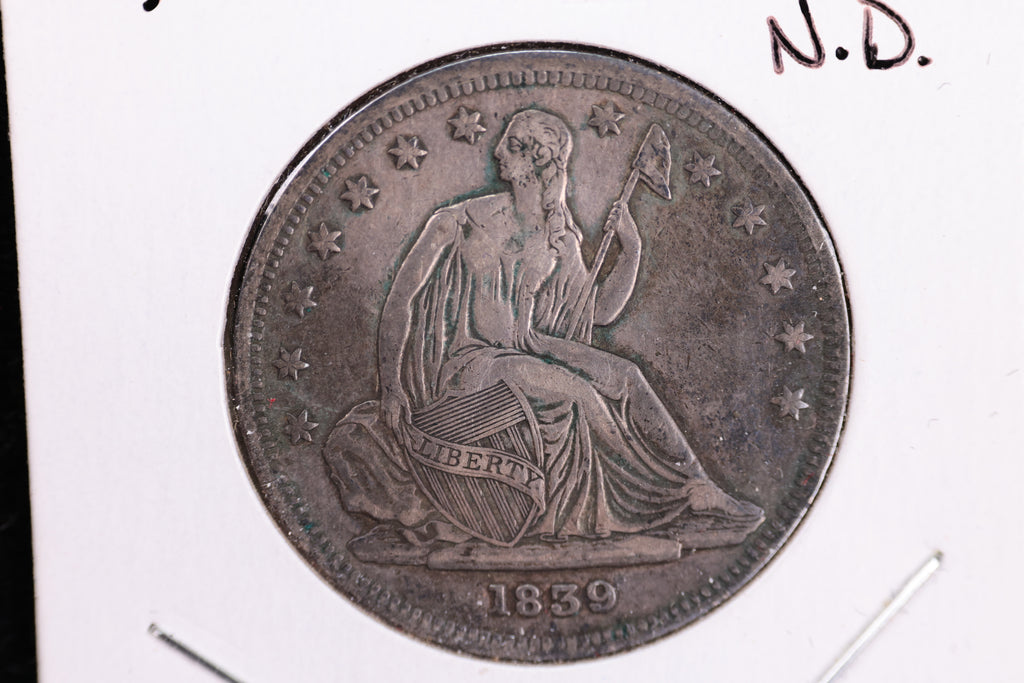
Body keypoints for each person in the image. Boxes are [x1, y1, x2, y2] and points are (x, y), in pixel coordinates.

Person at [325, 108, 762, 553]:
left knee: (627, 375)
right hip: (471, 364)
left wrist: (631, 249)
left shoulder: (561, 237)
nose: (498, 152)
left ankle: (698, 485)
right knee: (580, 392)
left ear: (537, 160)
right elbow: (400, 300)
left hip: (529, 350)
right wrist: (392, 387)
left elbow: (600, 313)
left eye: (512, 145)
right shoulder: (456, 221)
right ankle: (662, 501)